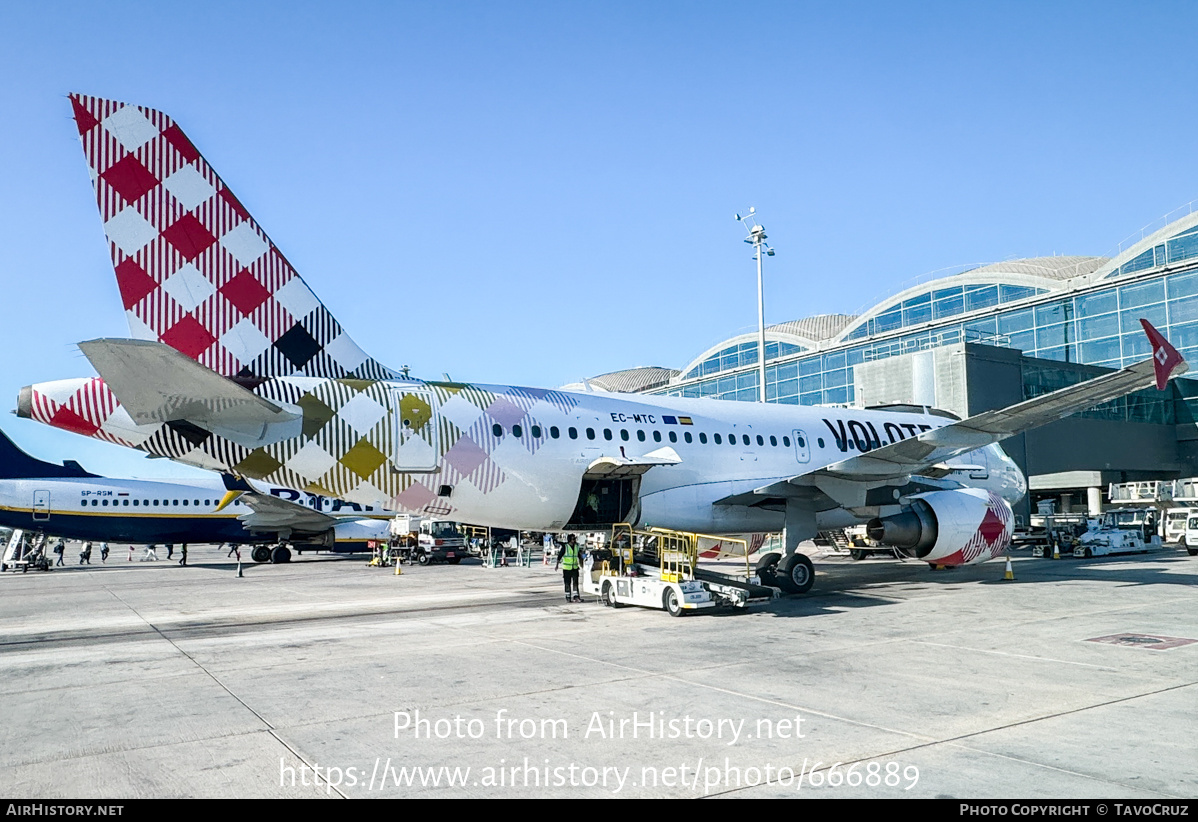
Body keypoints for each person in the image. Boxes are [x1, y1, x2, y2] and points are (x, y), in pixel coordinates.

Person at [555, 534, 582, 603]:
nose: (574, 540)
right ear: (570, 540)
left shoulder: (576, 546)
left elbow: (579, 556)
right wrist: (557, 565)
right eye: (573, 539)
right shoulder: (565, 547)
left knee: (575, 583)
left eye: (575, 539)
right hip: (567, 569)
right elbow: (559, 556)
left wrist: (582, 564)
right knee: (567, 583)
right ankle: (568, 597)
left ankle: (576, 597)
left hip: (575, 568)